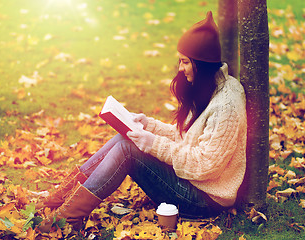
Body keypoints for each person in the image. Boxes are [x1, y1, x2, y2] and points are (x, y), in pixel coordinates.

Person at [37, 11, 247, 232]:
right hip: (190, 181)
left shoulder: (226, 104)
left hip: (206, 198)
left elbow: (206, 166)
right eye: (180, 61)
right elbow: (185, 137)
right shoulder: (207, 86)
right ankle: (59, 200)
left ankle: (68, 218)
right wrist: (148, 126)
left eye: (185, 62)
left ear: (201, 64)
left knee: (128, 150)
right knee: (125, 135)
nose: (180, 68)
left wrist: (153, 143)